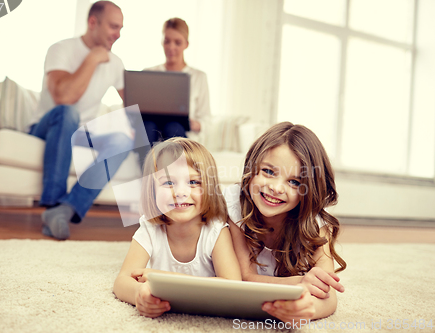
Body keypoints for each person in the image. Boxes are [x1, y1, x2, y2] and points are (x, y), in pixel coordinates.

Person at [27, 1, 133, 240]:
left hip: (82, 133)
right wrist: (92, 59)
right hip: (48, 126)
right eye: (113, 27)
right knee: (69, 113)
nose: (117, 35)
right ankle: (53, 205)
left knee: (122, 140)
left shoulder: (115, 63)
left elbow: (132, 104)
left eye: (121, 29)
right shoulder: (61, 49)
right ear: (93, 22)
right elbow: (64, 97)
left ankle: (66, 209)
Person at [224, 122, 347, 324]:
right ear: (251, 168)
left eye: (294, 182)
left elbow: (328, 293)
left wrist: (305, 310)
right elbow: (245, 277)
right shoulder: (235, 205)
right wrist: (300, 282)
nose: (276, 188)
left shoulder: (313, 221)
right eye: (269, 172)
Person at [113, 137, 241, 318]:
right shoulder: (150, 229)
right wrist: (138, 294)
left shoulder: (216, 231)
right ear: (152, 191)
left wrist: (165, 278)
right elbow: (121, 281)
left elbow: (233, 285)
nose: (181, 192)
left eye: (193, 182)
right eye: (168, 183)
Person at [138, 18, 210, 165]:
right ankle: (150, 181)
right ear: (162, 42)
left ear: (186, 44)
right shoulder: (149, 73)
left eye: (177, 42)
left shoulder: (198, 77)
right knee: (148, 127)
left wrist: (193, 123)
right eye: (167, 41)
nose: (171, 47)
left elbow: (206, 120)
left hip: (178, 131)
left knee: (173, 127)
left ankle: (173, 180)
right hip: (150, 130)